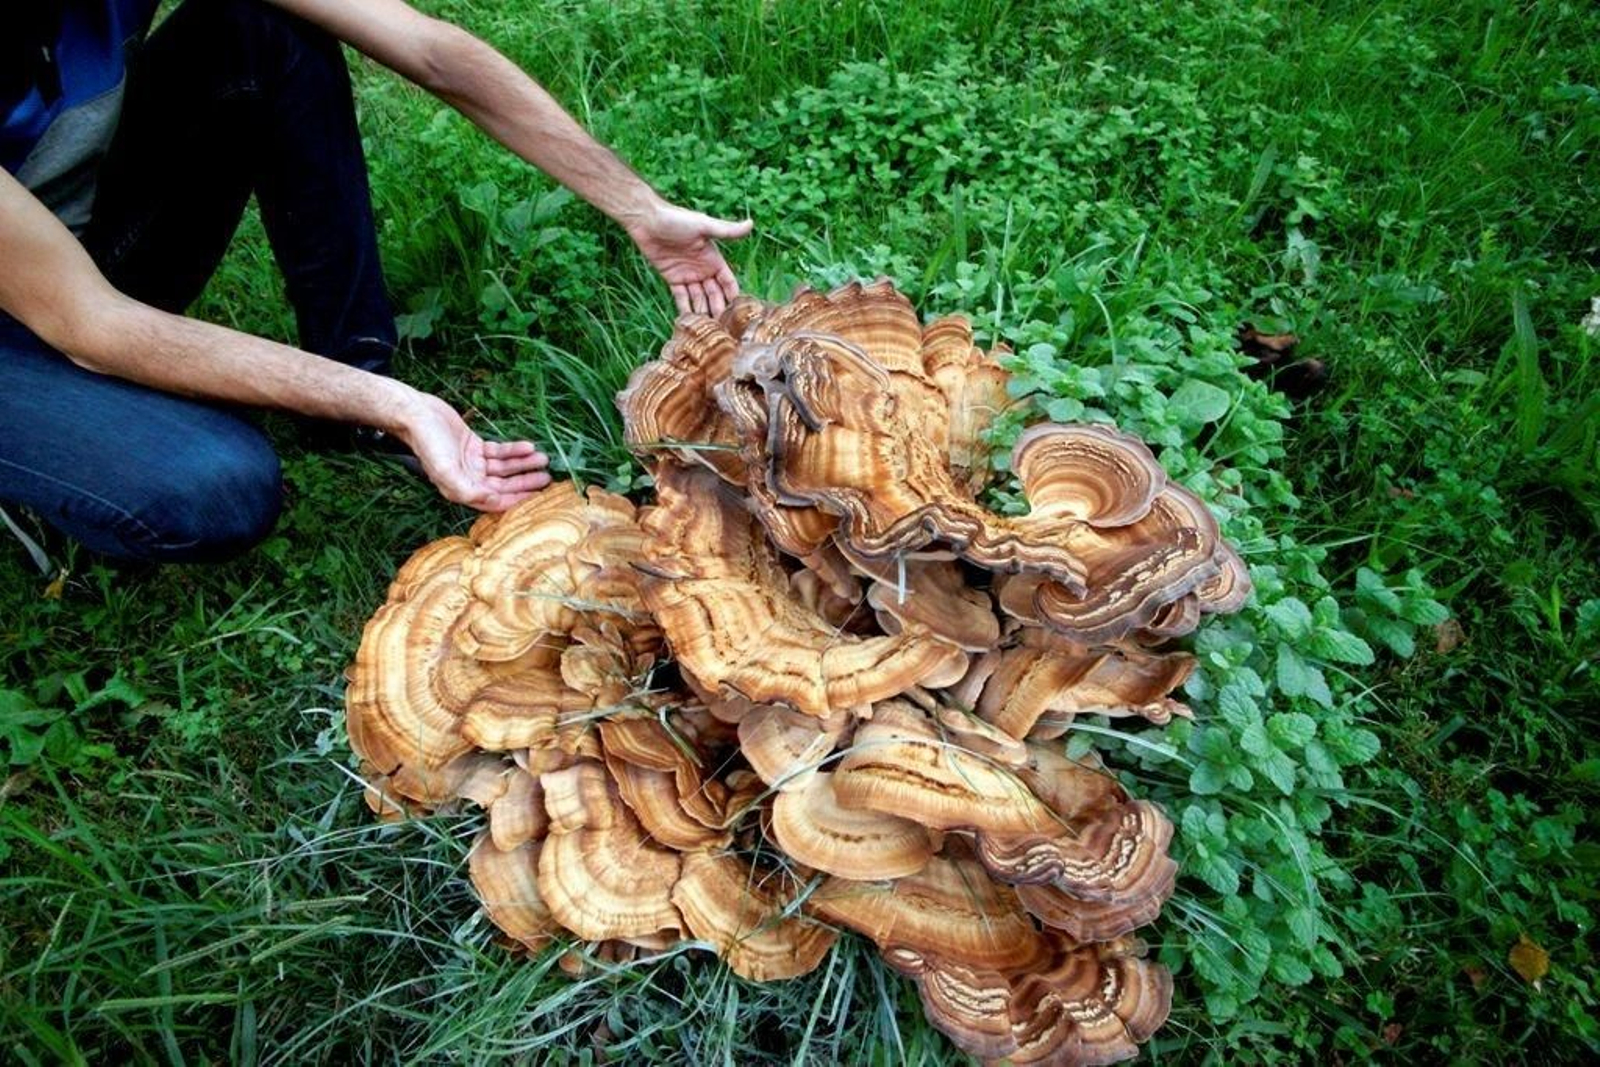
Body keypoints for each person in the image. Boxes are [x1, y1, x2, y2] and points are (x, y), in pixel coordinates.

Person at [0, 0, 751, 563]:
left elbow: (429, 50)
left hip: (76, 238)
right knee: (214, 486)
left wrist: (637, 205)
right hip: (39, 314)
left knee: (263, 34)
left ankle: (349, 394)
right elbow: (94, 327)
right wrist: (402, 407)